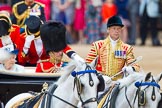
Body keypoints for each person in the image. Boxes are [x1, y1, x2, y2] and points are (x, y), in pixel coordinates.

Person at [86, 15, 140, 80]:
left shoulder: (126, 48)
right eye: (114, 28)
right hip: (100, 82)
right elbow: (87, 64)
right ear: (108, 29)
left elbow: (135, 66)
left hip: (118, 83)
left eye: (118, 28)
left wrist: (131, 68)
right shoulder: (98, 45)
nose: (116, 31)